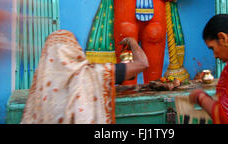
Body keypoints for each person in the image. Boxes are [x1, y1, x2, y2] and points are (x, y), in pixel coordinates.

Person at [20, 30, 149, 124]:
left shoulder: (38, 92)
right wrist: (132, 42)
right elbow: (142, 63)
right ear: (75, 49)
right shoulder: (93, 74)